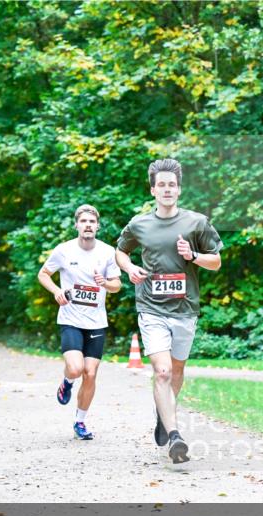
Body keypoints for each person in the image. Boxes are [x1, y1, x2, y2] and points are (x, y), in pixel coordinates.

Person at [114, 158, 223, 464]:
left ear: (179, 190)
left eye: (171, 185)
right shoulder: (139, 224)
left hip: (185, 310)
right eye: (161, 185)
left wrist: (194, 255)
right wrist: (130, 268)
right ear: (153, 190)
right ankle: (176, 436)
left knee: (176, 371)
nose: (166, 189)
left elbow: (216, 262)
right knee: (161, 371)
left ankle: (164, 416)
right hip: (151, 308)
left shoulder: (197, 223)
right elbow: (120, 252)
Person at [38, 204, 122, 440]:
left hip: (96, 322)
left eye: (92, 222)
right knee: (76, 368)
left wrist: (105, 283)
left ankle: (80, 422)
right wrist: (56, 291)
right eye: (83, 221)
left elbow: (117, 285)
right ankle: (66, 381)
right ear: (77, 225)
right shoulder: (64, 250)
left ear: (97, 226)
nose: (88, 225)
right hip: (71, 319)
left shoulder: (107, 252)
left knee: (91, 374)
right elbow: (43, 274)